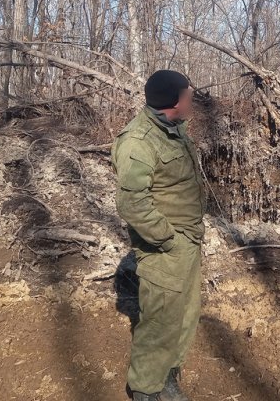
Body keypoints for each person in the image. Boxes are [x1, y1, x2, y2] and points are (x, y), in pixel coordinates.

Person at [111, 70, 206, 401]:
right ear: (173, 102)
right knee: (159, 322)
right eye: (187, 94)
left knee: (184, 314)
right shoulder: (138, 142)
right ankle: (146, 389)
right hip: (166, 247)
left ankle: (167, 375)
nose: (191, 99)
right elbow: (132, 204)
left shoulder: (173, 129)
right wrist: (168, 240)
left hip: (188, 242)